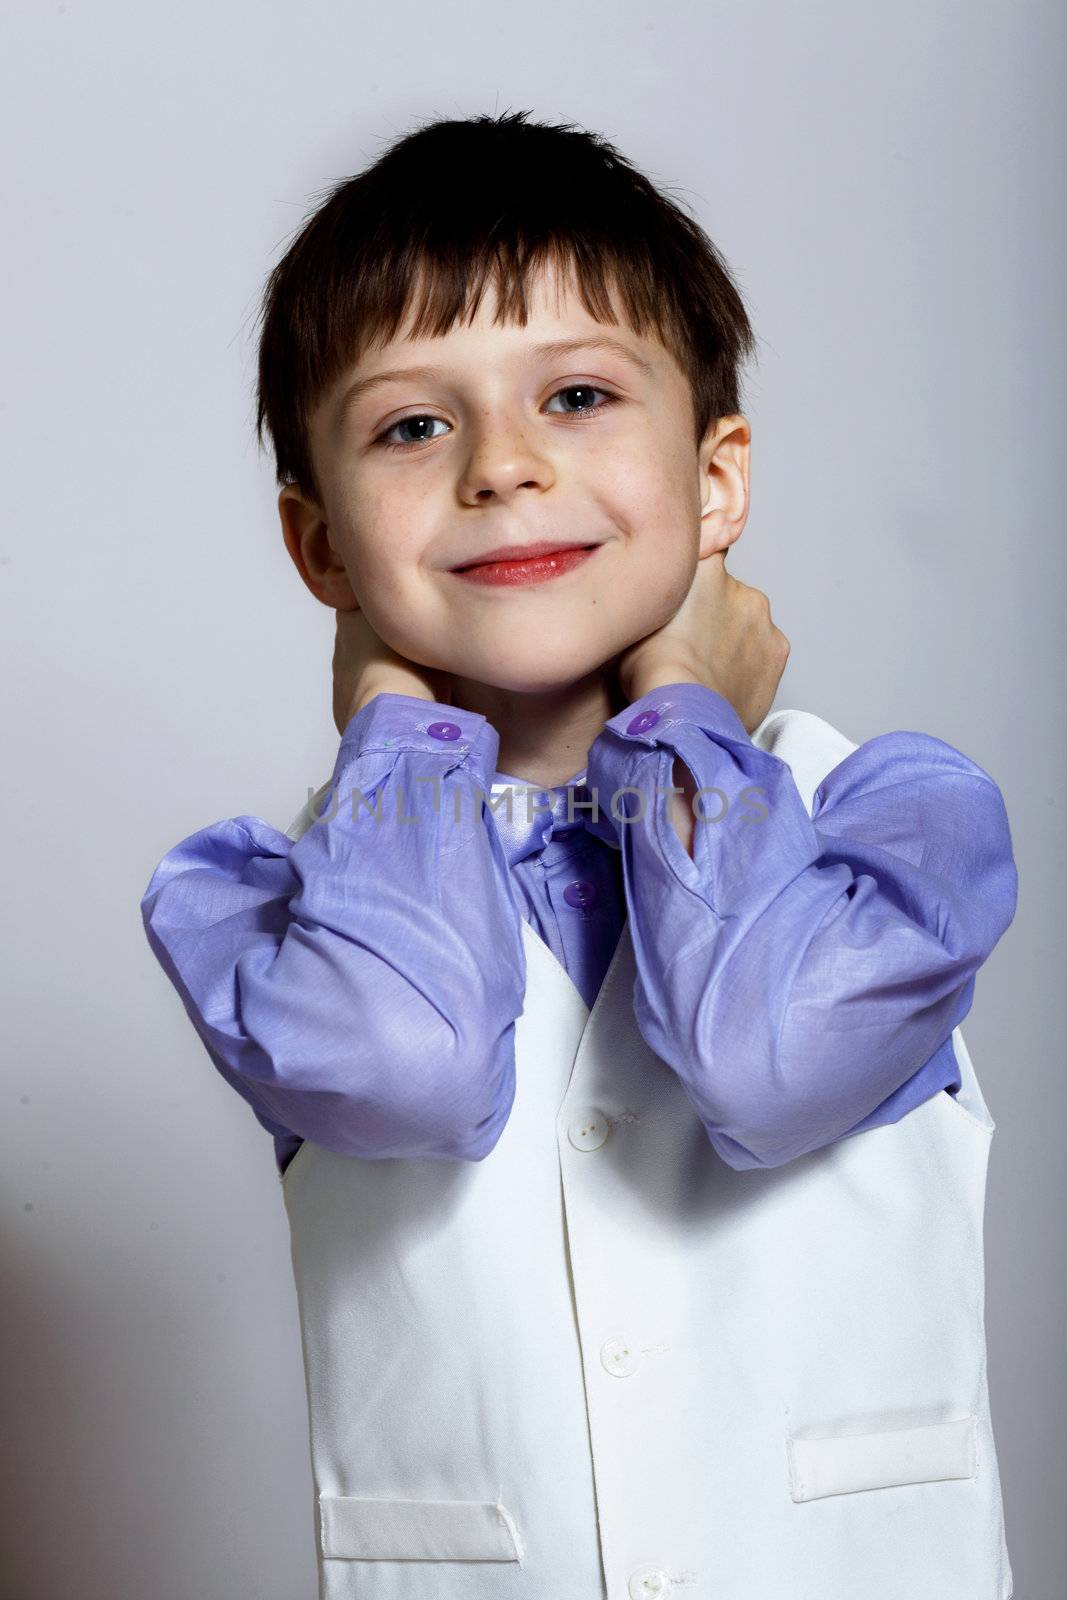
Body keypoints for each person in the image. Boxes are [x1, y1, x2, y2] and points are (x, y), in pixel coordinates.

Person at [140, 111, 1017, 1599]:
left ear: (718, 479)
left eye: (581, 395)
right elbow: (405, 1063)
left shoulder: (894, 820)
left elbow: (766, 1055)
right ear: (322, 549)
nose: (504, 466)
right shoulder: (270, 909)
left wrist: (681, 712)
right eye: (414, 425)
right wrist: (390, 727)